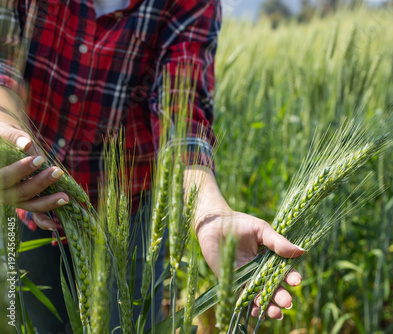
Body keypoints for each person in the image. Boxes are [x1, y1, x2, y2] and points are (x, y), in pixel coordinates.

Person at [0, 0, 304, 332]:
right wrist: (10, 137)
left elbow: (181, 110)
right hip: (28, 203)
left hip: (130, 219)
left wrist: (207, 211)